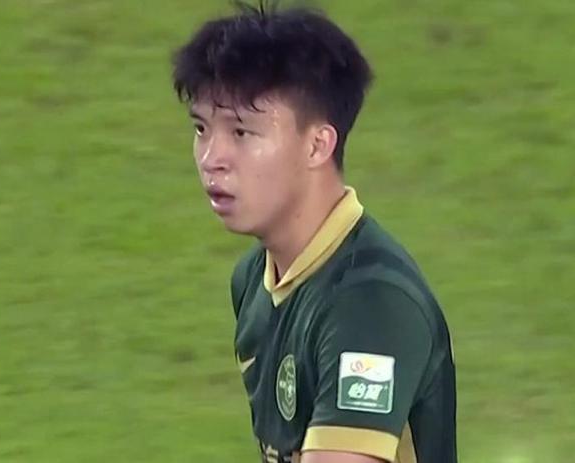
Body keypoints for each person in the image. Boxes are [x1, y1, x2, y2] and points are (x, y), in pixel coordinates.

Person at [171, 1, 457, 462]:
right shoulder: (255, 280)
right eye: (202, 128)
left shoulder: (371, 304)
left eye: (241, 133)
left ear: (317, 145)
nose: (211, 158)